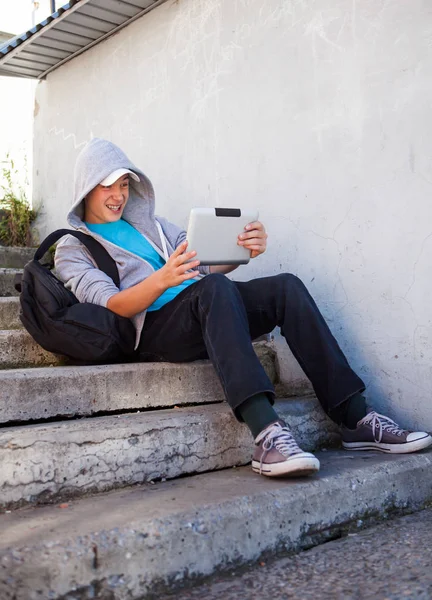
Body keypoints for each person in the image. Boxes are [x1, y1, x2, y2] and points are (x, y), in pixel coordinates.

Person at [55, 138, 432, 478]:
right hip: (153, 327)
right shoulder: (74, 246)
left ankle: (355, 418)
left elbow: (205, 266)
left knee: (285, 287)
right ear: (87, 188)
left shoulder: (153, 226)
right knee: (214, 289)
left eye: (124, 184)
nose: (118, 195)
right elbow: (112, 305)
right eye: (108, 185)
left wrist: (241, 251)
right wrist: (163, 280)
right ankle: (266, 431)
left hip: (206, 305)